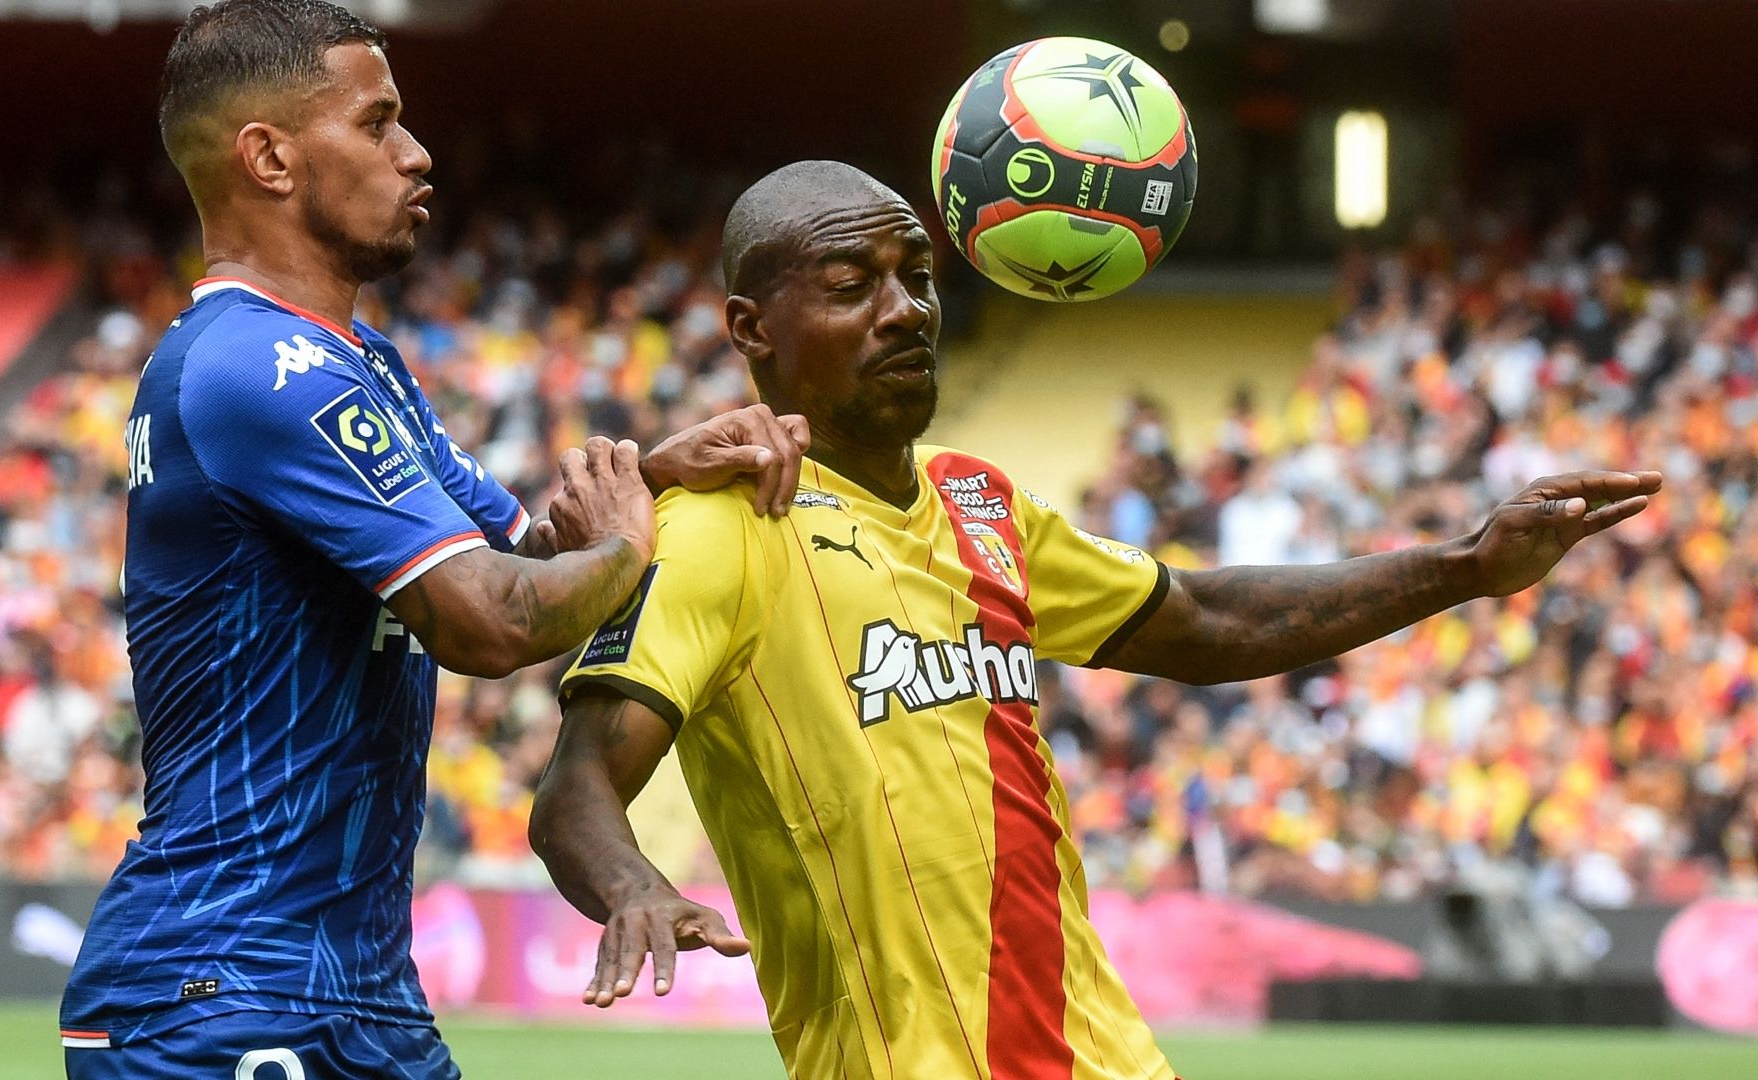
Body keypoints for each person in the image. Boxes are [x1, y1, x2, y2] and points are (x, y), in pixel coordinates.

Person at [529, 160, 1662, 1080]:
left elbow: (1203, 620)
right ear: (750, 326)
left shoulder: (980, 500)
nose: (904, 310)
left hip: (1108, 1058)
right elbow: (576, 788)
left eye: (916, 277)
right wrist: (634, 887)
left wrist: (1466, 566)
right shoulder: (716, 530)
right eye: (849, 285)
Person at [57, 3, 806, 1077]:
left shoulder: (357, 364)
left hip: (354, 992)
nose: (416, 154)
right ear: (269, 158)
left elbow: (527, 560)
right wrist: (629, 545)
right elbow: (490, 623)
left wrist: (650, 476)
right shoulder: (254, 367)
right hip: (222, 990)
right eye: (376, 123)